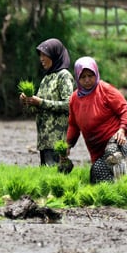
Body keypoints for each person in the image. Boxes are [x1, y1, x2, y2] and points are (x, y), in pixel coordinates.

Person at [66, 56, 127, 183]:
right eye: (83, 77)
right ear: (77, 78)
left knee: (112, 152)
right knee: (96, 173)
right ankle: (115, 191)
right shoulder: (74, 99)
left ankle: (124, 180)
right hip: (97, 147)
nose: (87, 80)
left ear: (96, 73)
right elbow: (73, 125)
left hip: (121, 137)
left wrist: (122, 130)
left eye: (90, 75)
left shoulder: (105, 90)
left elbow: (126, 110)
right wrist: (68, 145)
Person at [20, 38, 75, 166]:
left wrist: (40, 102)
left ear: (55, 55)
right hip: (44, 139)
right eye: (40, 55)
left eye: (45, 55)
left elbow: (69, 105)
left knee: (54, 173)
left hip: (56, 138)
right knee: (46, 174)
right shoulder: (46, 78)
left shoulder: (64, 76)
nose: (41, 58)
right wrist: (27, 101)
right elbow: (37, 108)